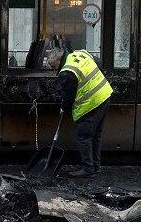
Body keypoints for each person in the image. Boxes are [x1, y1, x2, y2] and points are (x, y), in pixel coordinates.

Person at [48, 47, 113, 178]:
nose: (54, 69)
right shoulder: (80, 53)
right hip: (105, 95)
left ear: (58, 60)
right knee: (96, 136)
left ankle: (88, 169)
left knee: (84, 136)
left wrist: (63, 109)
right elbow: (98, 63)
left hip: (91, 103)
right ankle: (95, 167)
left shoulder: (67, 72)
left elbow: (68, 97)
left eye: (53, 66)